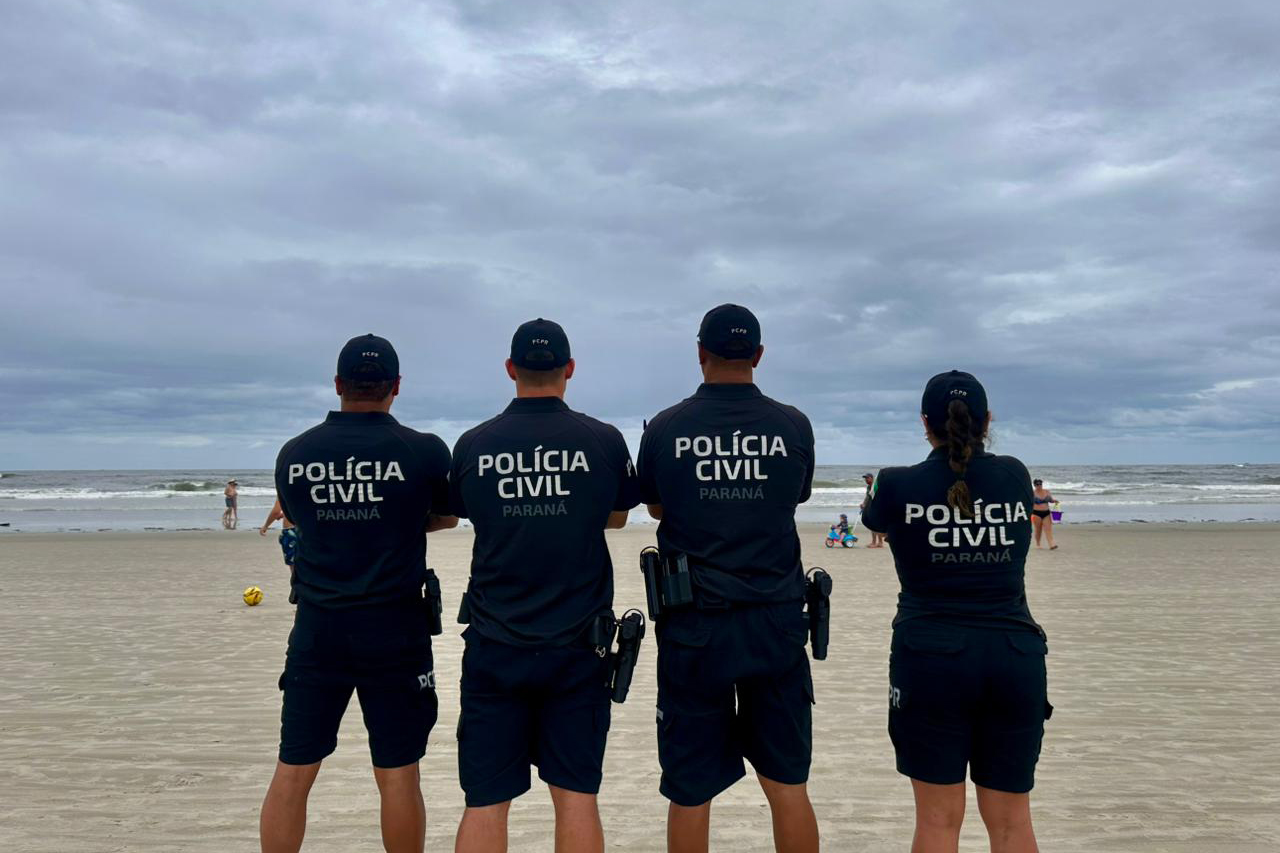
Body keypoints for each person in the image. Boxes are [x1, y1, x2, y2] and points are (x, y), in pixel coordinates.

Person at [449, 318, 641, 853]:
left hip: (495, 641)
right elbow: (618, 517)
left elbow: (469, 513)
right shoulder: (602, 440)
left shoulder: (473, 444)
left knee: (486, 801)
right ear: (569, 369)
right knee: (576, 797)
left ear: (510, 369)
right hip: (578, 645)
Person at [259, 334, 456, 853]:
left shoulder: (296, 452)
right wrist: (398, 522)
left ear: (338, 385)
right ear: (397, 386)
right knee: (399, 773)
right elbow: (446, 516)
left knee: (294, 768)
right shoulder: (423, 449)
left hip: (318, 627)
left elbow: (299, 520)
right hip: (394, 628)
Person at [637, 304, 819, 853]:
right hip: (775, 619)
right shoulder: (792, 424)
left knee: (690, 790)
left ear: (701, 354)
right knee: (787, 785)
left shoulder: (666, 426)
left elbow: (657, 507)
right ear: (758, 356)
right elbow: (795, 496)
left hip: (695, 622)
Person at [861, 370, 1050, 853]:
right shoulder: (1014, 474)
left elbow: (873, 517)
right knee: (1012, 821)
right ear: (987, 420)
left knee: (938, 820)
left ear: (925, 423)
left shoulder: (897, 483)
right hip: (1013, 655)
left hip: (931, 657)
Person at [260, 498, 300, 602]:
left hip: (291, 531)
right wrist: (284, 514)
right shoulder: (305, 489)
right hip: (307, 529)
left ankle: (299, 595)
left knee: (294, 566)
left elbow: (276, 511)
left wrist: (266, 526)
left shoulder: (284, 488)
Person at [1031, 479, 1058, 550]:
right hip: (1036, 513)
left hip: (1046, 513)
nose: (1039, 486)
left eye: (1040, 484)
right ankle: (1038, 544)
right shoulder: (1032, 493)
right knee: (1038, 530)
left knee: (1048, 529)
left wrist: (1054, 501)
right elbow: (1028, 502)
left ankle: (1051, 544)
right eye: (1037, 484)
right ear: (1034, 485)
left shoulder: (1047, 491)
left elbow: (1051, 500)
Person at [860, 473, 884, 548]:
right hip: (873, 507)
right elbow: (868, 496)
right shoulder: (869, 487)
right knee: (875, 525)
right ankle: (879, 542)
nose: (866, 480)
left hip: (878, 507)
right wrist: (863, 504)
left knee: (873, 525)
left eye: (867, 478)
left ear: (872, 478)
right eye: (865, 478)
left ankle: (875, 542)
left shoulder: (875, 486)